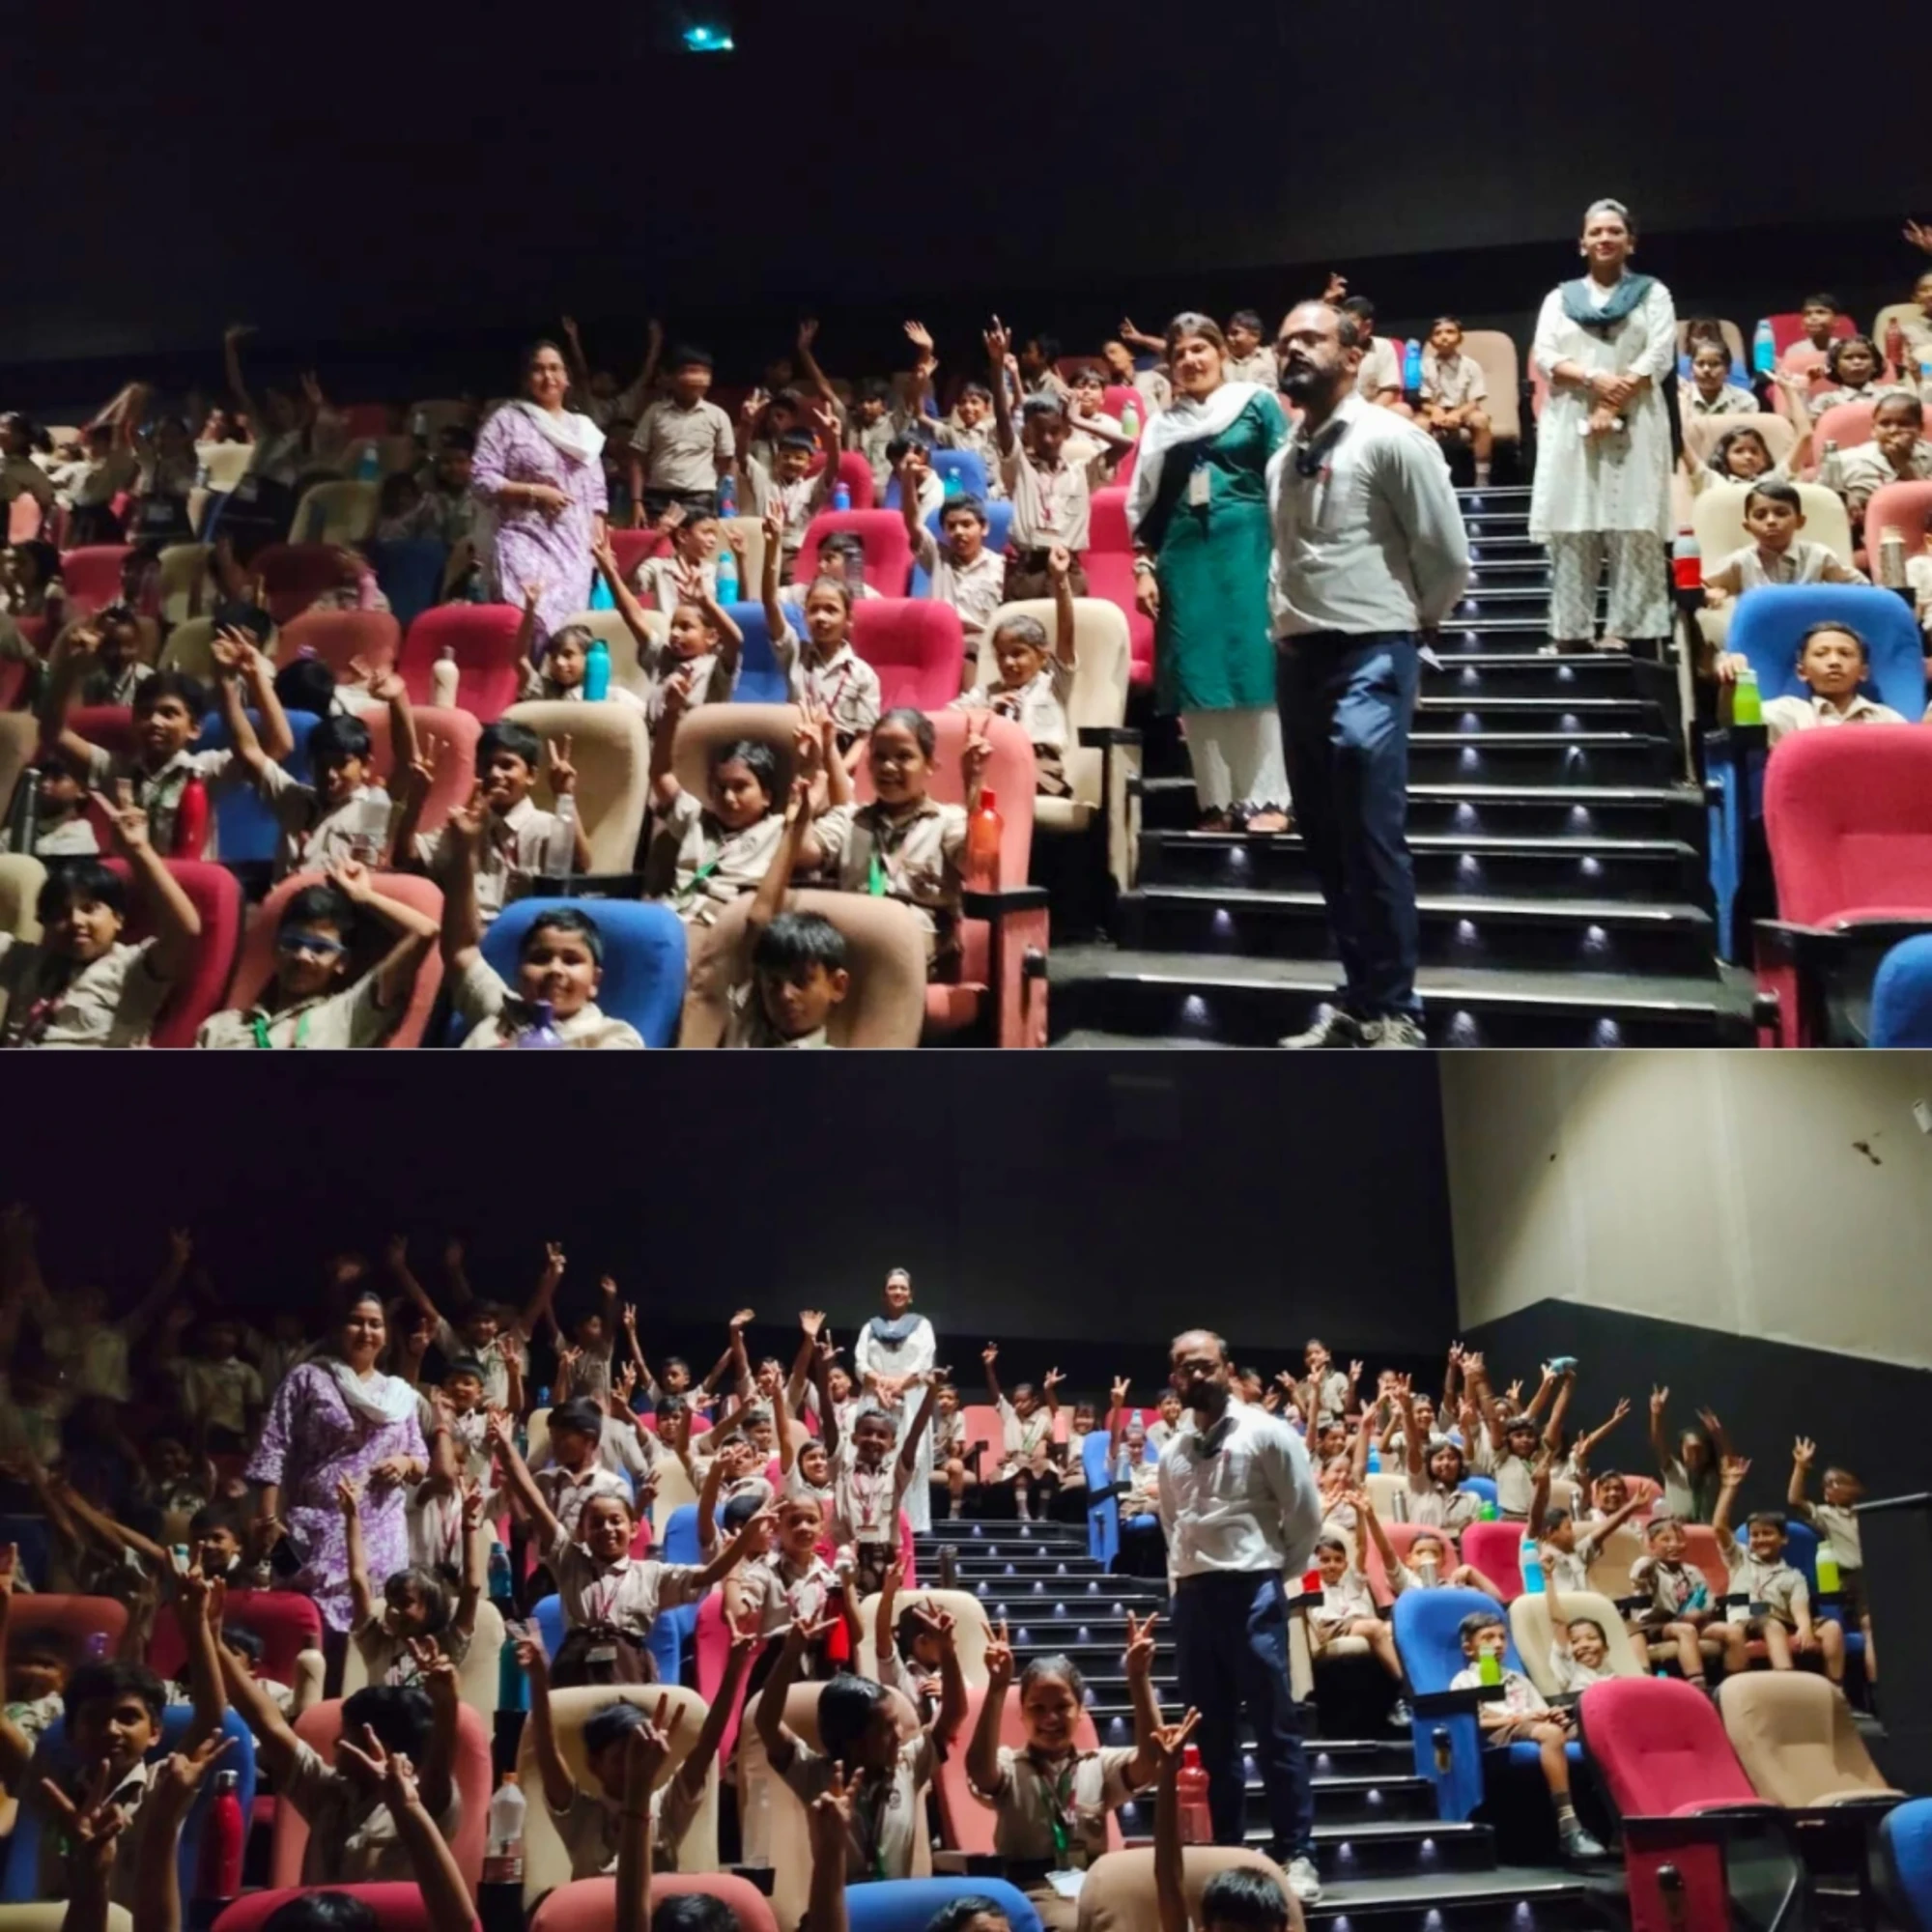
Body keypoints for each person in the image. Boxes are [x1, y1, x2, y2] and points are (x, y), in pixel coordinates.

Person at [1267, 298, 1470, 1049]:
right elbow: (1285, 557)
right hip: (1299, 658)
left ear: (1354, 356)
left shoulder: (1392, 440)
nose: (1293, 350)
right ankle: (1358, 1000)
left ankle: (1397, 1010)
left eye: (1311, 339)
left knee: (1368, 827)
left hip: (1372, 650)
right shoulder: (1280, 458)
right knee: (1325, 837)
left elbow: (1446, 553)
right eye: (1285, 342)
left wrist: (1416, 621)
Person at [1156, 1328, 1323, 1902]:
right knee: (1213, 1736)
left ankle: (1298, 1853)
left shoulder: (1268, 1432)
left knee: (1276, 1729)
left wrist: (1267, 1572)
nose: (1196, 1375)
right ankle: (1228, 1851)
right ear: (1174, 1378)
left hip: (1253, 1590)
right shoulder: (1173, 1451)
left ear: (1226, 1369)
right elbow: (1173, 1525)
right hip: (1194, 1599)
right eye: (1185, 1368)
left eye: (1206, 1365)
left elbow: (1304, 1517)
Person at [1127, 312, 1293, 834]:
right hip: (1184, 559)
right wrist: (1144, 567)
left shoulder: (1256, 403)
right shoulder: (1162, 426)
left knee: (1253, 668)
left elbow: (1285, 479)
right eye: (1179, 354)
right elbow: (1147, 504)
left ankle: (1269, 799)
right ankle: (1217, 803)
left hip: (1249, 550)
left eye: (1200, 349)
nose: (1190, 360)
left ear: (1221, 353)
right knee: (1198, 678)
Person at [1528, 199, 1676, 654]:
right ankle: (1570, 631)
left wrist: (1612, 403)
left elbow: (1659, 354)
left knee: (1634, 521)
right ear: (1582, 244)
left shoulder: (1653, 294)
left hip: (1637, 417)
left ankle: (1627, 630)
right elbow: (1546, 355)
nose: (1605, 238)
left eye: (1615, 231)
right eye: (1596, 232)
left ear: (1630, 242)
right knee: (1572, 523)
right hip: (1571, 415)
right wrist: (1594, 379)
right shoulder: (1559, 298)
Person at [246, 1287, 430, 1635]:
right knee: (308, 1629)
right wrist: (268, 1518)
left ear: (386, 1335)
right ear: (338, 1328)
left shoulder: (399, 1393)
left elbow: (421, 1459)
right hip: (317, 1526)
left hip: (381, 1533)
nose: (366, 1332)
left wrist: (405, 1462)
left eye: (375, 1324)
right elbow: (272, 1446)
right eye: (356, 1322)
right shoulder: (308, 1378)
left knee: (372, 1631)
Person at [967, 1617, 1164, 1930]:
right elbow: (980, 1771)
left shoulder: (1097, 1765)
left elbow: (1152, 1760)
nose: (1050, 1718)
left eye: (1062, 1707)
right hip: (1032, 1892)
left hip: (1096, 1888)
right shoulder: (1010, 1766)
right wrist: (997, 1687)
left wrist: (1139, 1679)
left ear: (1080, 1711)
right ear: (1022, 1714)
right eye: (1038, 1708)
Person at [0, 799, 202, 1048]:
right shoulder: (26, 960)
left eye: (89, 909)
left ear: (118, 918)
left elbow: (185, 931)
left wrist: (138, 850)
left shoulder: (132, 970)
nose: (76, 921)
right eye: (61, 914)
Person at [193, 862, 438, 1049]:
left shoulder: (347, 1014)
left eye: (320, 948)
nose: (302, 956)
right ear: (275, 948)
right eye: (292, 943)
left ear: (342, 962)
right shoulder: (220, 1028)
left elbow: (425, 931)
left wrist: (364, 896)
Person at [470, 342, 610, 646]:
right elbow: (481, 478)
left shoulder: (584, 431)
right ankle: (523, 675)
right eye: (538, 369)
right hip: (522, 538)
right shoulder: (507, 421)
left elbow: (597, 493)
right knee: (530, 616)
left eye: (555, 368)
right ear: (526, 378)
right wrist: (535, 493)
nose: (548, 376)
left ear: (567, 378)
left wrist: (599, 540)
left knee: (568, 634)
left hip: (574, 547)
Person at [1450, 1608, 1605, 1860]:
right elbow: (1473, 1720)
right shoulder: (1465, 1680)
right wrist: (1516, 1719)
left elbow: (1539, 1710)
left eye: (1502, 1637)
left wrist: (1553, 1715)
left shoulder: (1518, 1678)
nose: (1498, 1644)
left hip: (1534, 1727)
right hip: (1500, 1732)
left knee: (1593, 1730)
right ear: (1469, 1649)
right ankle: (1568, 1823)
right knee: (1550, 1734)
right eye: (1488, 1638)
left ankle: (1614, 1817)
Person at [952, 543, 1077, 796]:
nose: (1008, 663)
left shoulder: (1053, 685)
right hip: (993, 763)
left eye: (1018, 653)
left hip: (1039, 767)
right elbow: (948, 717)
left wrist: (1060, 580)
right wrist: (986, 712)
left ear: (1042, 655)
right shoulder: (988, 693)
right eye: (1002, 655)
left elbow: (1066, 634)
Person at [986, 318, 1094, 600]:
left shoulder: (1079, 471)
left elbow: (1125, 446)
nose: (1047, 439)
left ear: (1065, 432)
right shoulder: (1020, 467)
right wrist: (997, 368)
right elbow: (1002, 420)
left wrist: (1077, 422)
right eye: (1039, 433)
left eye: (1054, 432)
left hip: (1069, 565)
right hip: (1028, 569)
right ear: (1028, 435)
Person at [850, 1268, 941, 1533]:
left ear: (910, 1295)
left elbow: (924, 1361)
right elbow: (860, 1363)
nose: (898, 1292)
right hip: (875, 1399)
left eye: (903, 1288)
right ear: (884, 1294)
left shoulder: (922, 1326)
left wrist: (899, 1385)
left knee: (910, 1458)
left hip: (911, 1400)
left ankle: (910, 1526)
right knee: (873, 1456)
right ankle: (870, 1520)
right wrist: (880, 1383)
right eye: (892, 1287)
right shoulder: (870, 1328)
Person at [900, 468, 1008, 683]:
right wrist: (908, 478)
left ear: (984, 528)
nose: (959, 532)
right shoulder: (937, 556)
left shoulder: (1001, 567)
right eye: (951, 526)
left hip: (981, 648)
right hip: (938, 643)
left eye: (966, 524)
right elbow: (912, 523)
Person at [1789, 1436, 1874, 1681]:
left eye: (1840, 1482)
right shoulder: (1827, 1514)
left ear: (1858, 1487)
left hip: (1884, 1572)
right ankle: (1877, 1689)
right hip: (1855, 1580)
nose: (1833, 1487)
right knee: (1871, 1626)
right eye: (1828, 1485)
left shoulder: (1873, 1512)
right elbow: (1795, 1500)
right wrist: (1801, 1467)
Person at [1744, 622, 1906, 745]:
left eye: (1845, 654)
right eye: (1821, 654)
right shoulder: (1788, 713)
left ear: (1863, 672)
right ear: (1802, 672)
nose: (1834, 662)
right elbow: (1740, 725)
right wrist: (1733, 682)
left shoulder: (1888, 719)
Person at [1418, 318, 1494, 483]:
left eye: (1450, 332)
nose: (1444, 337)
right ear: (1431, 340)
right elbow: (1424, 400)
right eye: (1438, 333)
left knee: (1481, 420)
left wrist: (1458, 414)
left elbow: (1475, 400)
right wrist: (1435, 410)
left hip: (1464, 410)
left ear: (1460, 338)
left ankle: (1482, 478)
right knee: (1418, 425)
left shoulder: (1471, 365)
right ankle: (1423, 477)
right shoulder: (1424, 366)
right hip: (1435, 411)